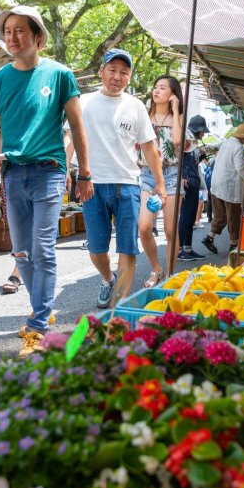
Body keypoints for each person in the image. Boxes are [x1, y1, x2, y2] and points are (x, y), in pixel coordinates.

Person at [0, 5, 92, 356]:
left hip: (49, 171)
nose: (12, 37)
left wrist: (84, 174)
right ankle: (41, 309)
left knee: (43, 249)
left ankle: (39, 325)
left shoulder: (60, 75)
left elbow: (77, 127)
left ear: (38, 37)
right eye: (7, 31)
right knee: (22, 253)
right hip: (13, 175)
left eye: (20, 30)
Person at [79, 49, 164, 307]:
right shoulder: (83, 102)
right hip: (92, 184)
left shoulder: (135, 106)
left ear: (130, 76)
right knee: (96, 249)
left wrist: (160, 183)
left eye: (124, 72)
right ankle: (108, 279)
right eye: (112, 70)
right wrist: (68, 173)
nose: (117, 76)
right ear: (101, 72)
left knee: (127, 247)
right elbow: (70, 138)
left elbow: (149, 148)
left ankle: (119, 306)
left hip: (127, 185)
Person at [138, 75, 192, 287]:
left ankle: (169, 275)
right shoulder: (144, 115)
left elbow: (177, 141)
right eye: (156, 86)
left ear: (172, 94)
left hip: (171, 176)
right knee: (144, 227)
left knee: (170, 230)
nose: (157, 90)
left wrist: (176, 110)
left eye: (162, 87)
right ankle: (156, 269)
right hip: (147, 175)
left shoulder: (179, 119)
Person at [204, 123, 244, 253]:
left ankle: (210, 237)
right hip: (229, 186)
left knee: (220, 215)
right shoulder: (238, 146)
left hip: (216, 183)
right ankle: (234, 243)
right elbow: (240, 168)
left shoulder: (226, 143)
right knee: (233, 215)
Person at [177, 116, 209, 262]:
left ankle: (187, 248)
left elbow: (193, 160)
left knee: (190, 217)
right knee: (185, 216)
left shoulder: (194, 142)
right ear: (198, 130)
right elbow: (179, 158)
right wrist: (183, 175)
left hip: (194, 181)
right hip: (188, 181)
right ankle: (179, 249)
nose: (204, 134)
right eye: (202, 131)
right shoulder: (186, 140)